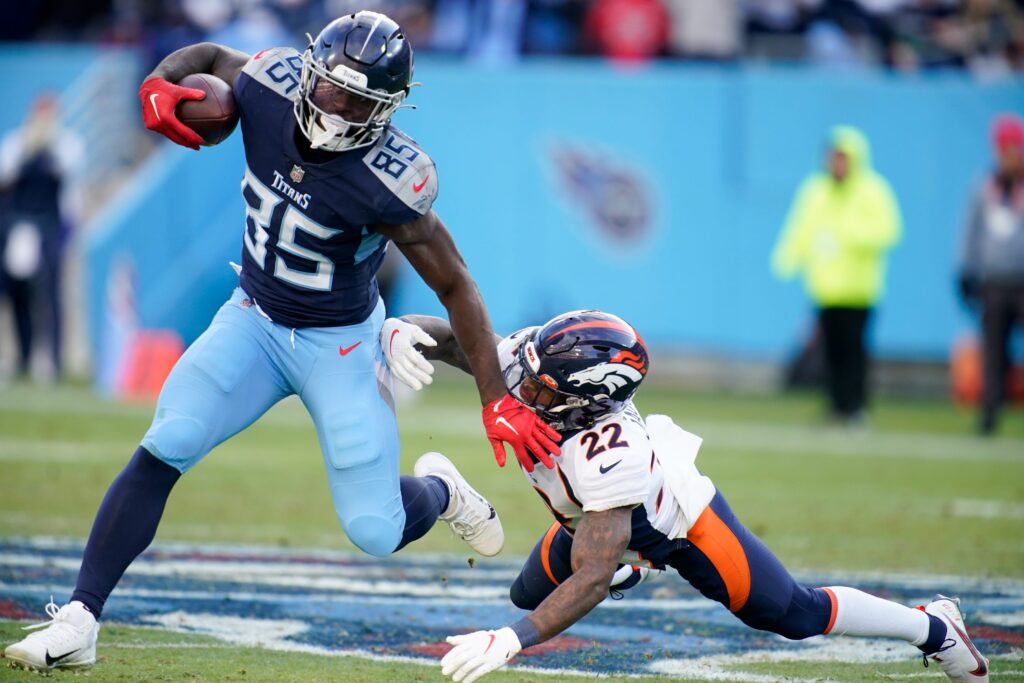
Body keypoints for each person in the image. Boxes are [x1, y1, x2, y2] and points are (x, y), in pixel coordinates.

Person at [2, 11, 560, 672]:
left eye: (355, 99)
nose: (333, 104)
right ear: (311, 70)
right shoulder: (270, 87)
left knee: (375, 529)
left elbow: (457, 285)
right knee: (168, 439)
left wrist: (493, 395)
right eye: (327, 86)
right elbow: (208, 52)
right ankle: (82, 616)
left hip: (341, 346)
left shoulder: (388, 178)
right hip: (254, 319)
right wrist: (158, 79)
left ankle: (441, 491)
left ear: (384, 109)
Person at [379, 310, 989, 683]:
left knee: (791, 615)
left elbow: (591, 572)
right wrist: (405, 334)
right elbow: (464, 343)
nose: (523, 388)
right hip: (585, 518)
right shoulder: (537, 360)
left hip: (673, 526)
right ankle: (465, 499)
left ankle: (933, 628)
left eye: (541, 388)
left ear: (590, 398)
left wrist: (511, 639)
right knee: (527, 591)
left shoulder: (610, 449)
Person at [771, 125, 902, 424]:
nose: (837, 163)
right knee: (830, 352)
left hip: (859, 289)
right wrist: (788, 256)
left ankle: (856, 406)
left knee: (855, 351)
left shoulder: (873, 190)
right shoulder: (815, 190)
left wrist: (851, 236)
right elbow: (800, 227)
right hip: (826, 287)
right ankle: (836, 405)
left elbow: (889, 230)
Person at [0, 92, 82, 379]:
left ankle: (53, 362)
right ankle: (22, 357)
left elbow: (69, 174)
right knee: (17, 293)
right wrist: (29, 148)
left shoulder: (66, 144)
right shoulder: (16, 143)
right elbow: (6, 177)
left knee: (50, 295)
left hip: (51, 226)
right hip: (20, 225)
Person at [957, 113, 1024, 436]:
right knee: (993, 353)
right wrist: (965, 269)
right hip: (994, 281)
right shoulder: (985, 186)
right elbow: (971, 231)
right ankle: (989, 415)